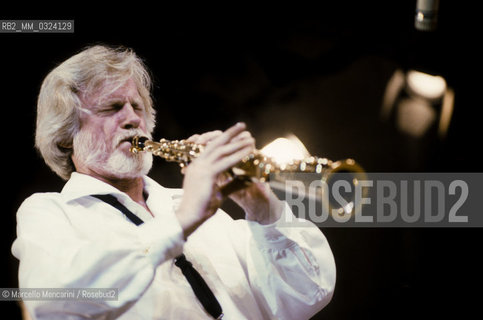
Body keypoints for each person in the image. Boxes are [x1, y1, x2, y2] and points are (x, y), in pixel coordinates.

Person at [11, 45, 336, 320]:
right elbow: (49, 303)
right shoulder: (50, 212)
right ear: (67, 136)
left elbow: (308, 295)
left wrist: (266, 214)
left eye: (137, 107)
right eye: (112, 107)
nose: (133, 119)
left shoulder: (198, 207)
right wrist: (179, 224)